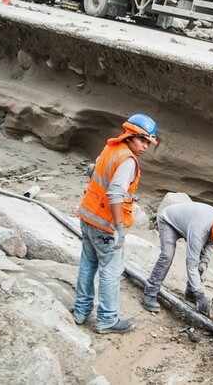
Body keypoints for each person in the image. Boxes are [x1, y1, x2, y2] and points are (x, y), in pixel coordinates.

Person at [72, 113, 158, 334]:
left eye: (148, 143)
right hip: (105, 226)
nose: (145, 146)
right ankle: (107, 320)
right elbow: (115, 194)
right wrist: (119, 227)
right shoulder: (128, 161)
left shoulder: (111, 148)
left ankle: (80, 311)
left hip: (88, 217)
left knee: (87, 265)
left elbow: (93, 171)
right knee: (110, 271)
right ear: (129, 136)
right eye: (142, 140)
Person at [142, 201, 213, 314]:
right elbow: (191, 264)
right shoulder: (199, 230)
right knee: (167, 256)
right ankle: (150, 292)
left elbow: (212, 244)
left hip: (189, 224)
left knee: (202, 264)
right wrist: (200, 295)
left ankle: (191, 292)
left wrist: (204, 261)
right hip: (169, 221)